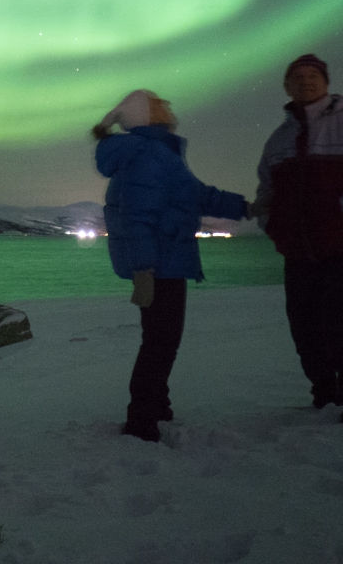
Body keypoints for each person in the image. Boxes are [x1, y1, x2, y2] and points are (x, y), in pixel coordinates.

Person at [248, 54, 343, 422]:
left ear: (326, 82)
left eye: (313, 76)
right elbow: (266, 192)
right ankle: (326, 395)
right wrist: (273, 226)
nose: (305, 82)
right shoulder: (278, 139)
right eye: (297, 77)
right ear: (286, 86)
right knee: (304, 332)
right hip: (299, 254)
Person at [93, 89, 248, 441]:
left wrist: (245, 207)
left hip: (167, 259)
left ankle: (156, 409)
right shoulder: (150, 154)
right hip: (161, 263)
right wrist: (144, 269)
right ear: (148, 116)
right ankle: (141, 420)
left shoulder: (158, 152)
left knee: (159, 339)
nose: (169, 105)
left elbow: (197, 195)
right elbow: (138, 216)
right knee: (160, 342)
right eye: (160, 103)